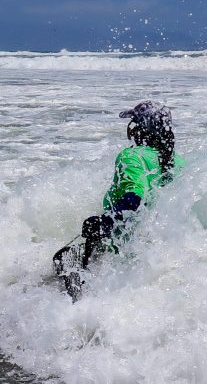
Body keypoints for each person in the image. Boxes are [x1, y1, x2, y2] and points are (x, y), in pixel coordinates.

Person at [53, 100, 185, 301]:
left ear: (138, 129)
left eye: (132, 122)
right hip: (156, 250)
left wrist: (105, 221)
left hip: (120, 247)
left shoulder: (131, 156)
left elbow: (134, 198)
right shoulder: (177, 161)